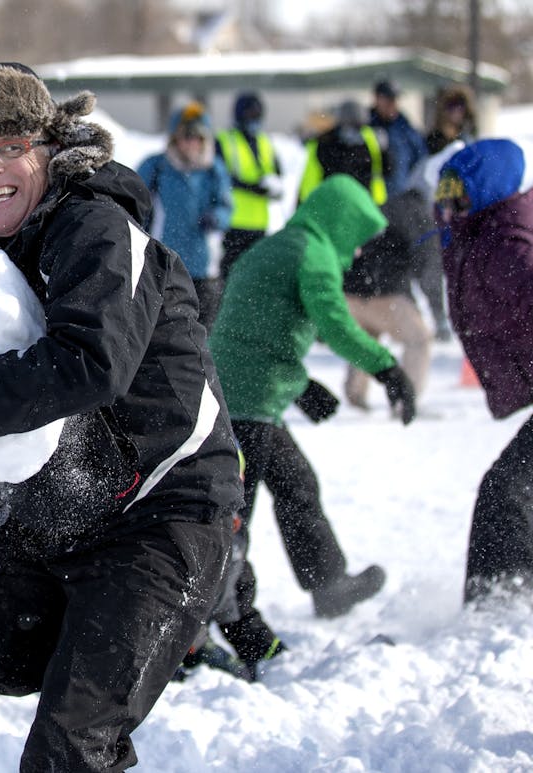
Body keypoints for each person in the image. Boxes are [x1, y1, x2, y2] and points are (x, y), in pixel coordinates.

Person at [0, 62, 241, 772]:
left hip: (164, 519)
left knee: (70, 745)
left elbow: (90, 363)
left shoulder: (94, 225)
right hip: (54, 519)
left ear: (49, 147)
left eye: (9, 147)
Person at [208, 175, 418, 666]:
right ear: (342, 223)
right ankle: (221, 617)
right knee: (233, 518)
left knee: (297, 482)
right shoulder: (312, 252)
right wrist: (386, 368)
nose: (360, 253)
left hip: (249, 392)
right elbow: (335, 322)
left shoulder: (286, 244)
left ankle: (328, 584)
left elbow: (257, 326)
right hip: (248, 404)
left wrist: (299, 385)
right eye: (358, 238)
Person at [432, 139, 533, 603]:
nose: (449, 201)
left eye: (460, 190)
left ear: (488, 190)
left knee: (506, 493)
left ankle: (500, 605)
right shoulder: (479, 234)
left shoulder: (505, 247)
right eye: (444, 190)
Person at [341, 154, 442, 413]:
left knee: (367, 338)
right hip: (385, 292)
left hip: (351, 289)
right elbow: (428, 268)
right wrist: (438, 313)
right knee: (419, 339)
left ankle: (355, 393)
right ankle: (406, 402)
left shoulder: (389, 203)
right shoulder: (421, 215)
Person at [137, 101, 233, 329]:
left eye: (198, 137)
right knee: (168, 333)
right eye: (186, 136)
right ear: (174, 138)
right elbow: (135, 203)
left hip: (204, 269)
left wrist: (216, 218)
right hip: (164, 266)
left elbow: (226, 206)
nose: (191, 142)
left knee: (203, 334)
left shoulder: (214, 170)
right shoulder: (157, 167)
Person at [217, 91, 283, 276]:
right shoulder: (225, 140)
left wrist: (274, 187)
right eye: (250, 114)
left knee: (256, 277)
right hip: (234, 222)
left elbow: (277, 171)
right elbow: (222, 179)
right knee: (231, 277)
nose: (255, 119)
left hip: (260, 223)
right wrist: (253, 188)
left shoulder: (265, 141)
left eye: (258, 114)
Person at [300, 100, 392, 207]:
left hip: (367, 205)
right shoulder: (325, 143)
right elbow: (311, 179)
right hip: (333, 206)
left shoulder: (370, 139)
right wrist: (312, 205)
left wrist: (385, 152)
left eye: (358, 127)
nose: (354, 133)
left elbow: (386, 170)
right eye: (351, 127)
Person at [369, 79, 427, 197]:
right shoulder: (366, 127)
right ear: (376, 99)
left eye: (394, 99)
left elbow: (420, 162)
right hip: (371, 198)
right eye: (388, 99)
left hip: (399, 198)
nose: (392, 103)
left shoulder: (406, 129)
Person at [426, 83, 477, 155]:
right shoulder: (432, 140)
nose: (456, 110)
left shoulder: (467, 141)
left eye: (460, 105)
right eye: (452, 105)